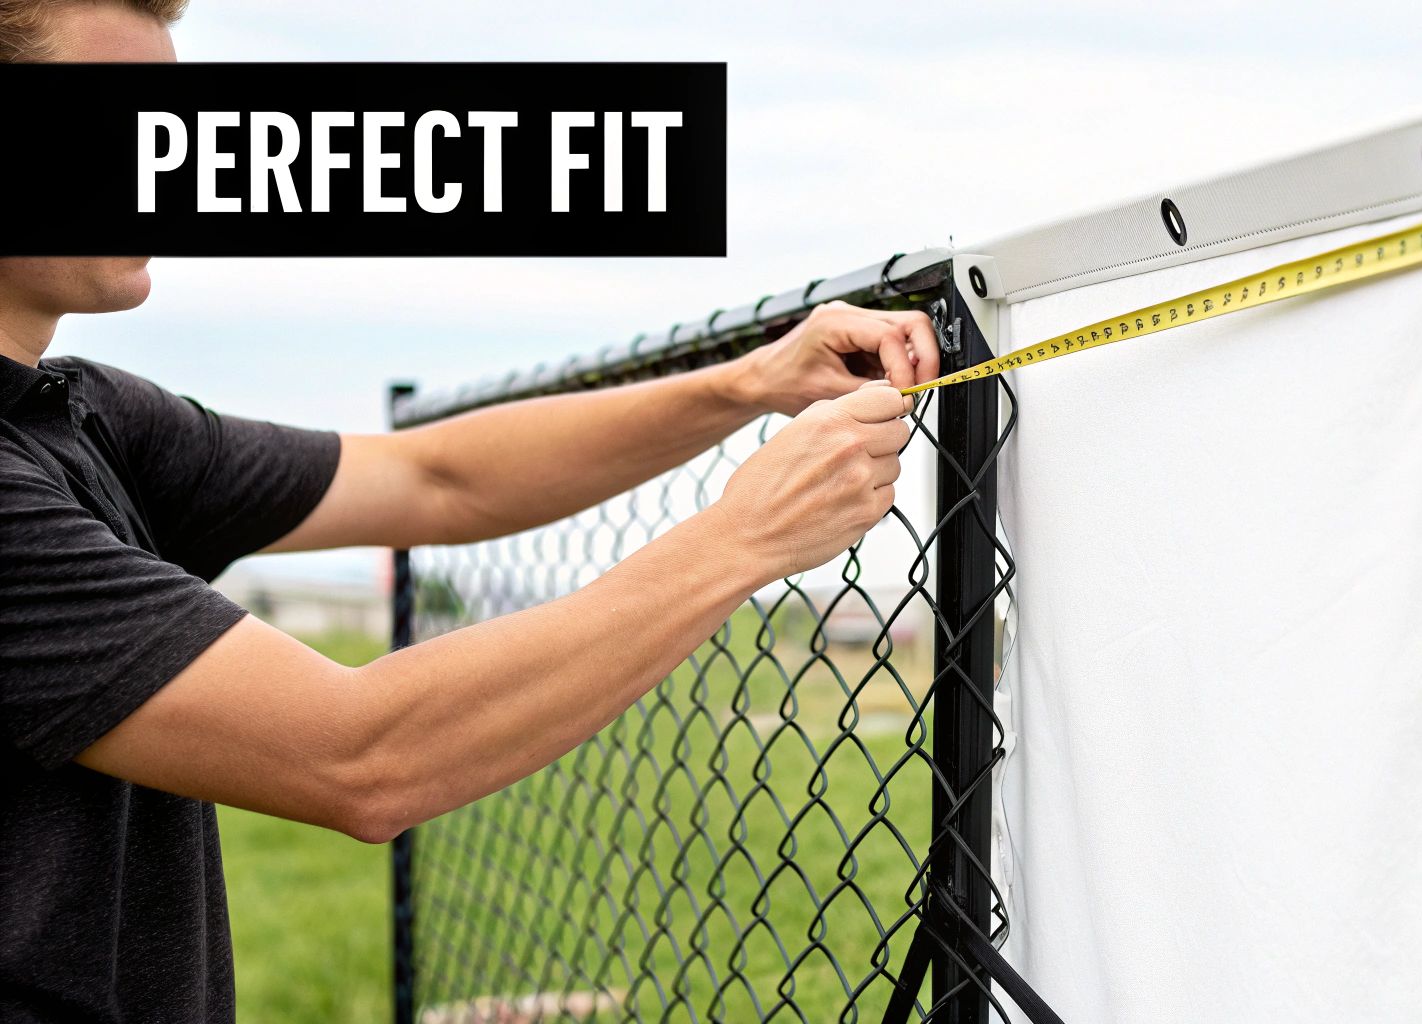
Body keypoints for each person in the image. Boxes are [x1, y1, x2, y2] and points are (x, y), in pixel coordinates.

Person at [0, 2, 939, 1018]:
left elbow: (435, 478)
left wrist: (749, 383)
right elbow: (361, 754)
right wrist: (742, 539)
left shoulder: (81, 414)